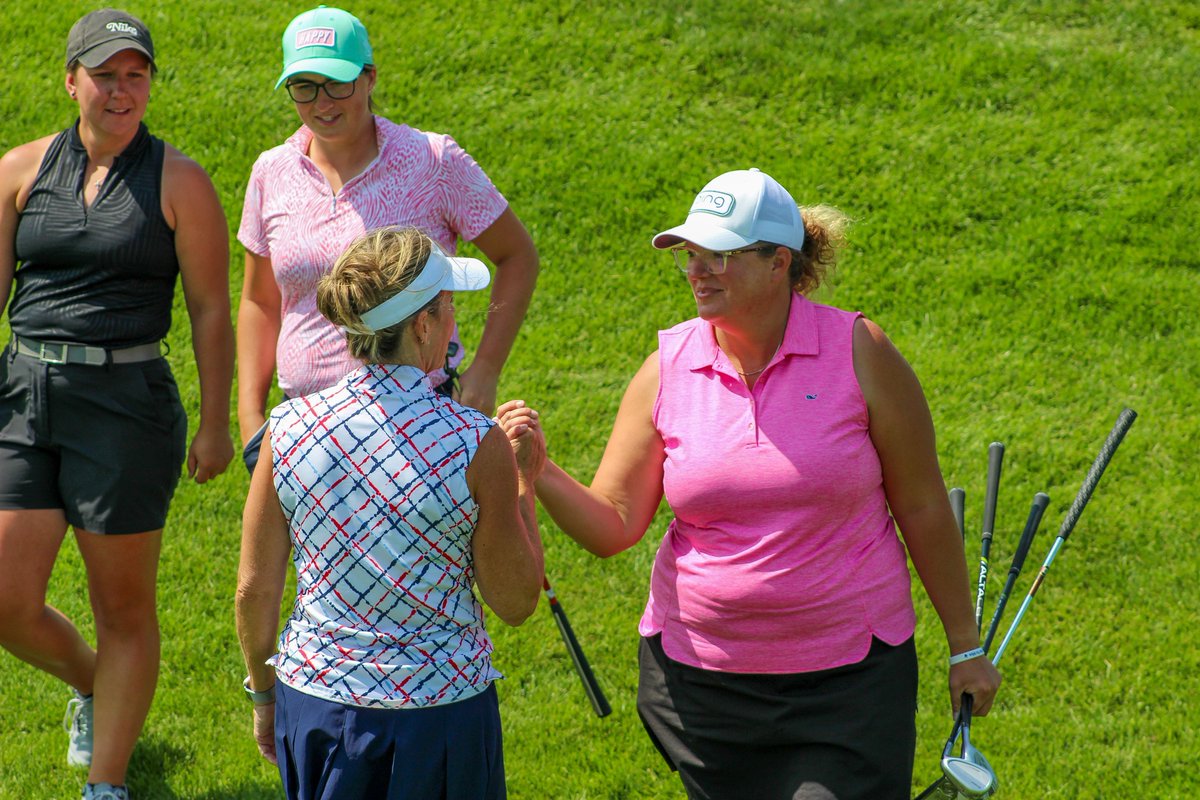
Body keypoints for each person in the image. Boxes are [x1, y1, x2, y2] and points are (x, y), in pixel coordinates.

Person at [503, 168, 1003, 800]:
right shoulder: (668, 367)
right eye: (690, 254)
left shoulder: (859, 351)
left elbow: (924, 504)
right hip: (700, 687)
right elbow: (614, 523)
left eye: (721, 254)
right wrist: (539, 468)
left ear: (778, 263)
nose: (698, 270)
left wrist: (964, 646)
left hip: (848, 684)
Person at [0, 9, 234, 800]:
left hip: (126, 405)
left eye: (136, 74)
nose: (122, 89)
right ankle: (97, 687)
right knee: (5, 598)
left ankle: (107, 786)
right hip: (24, 396)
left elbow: (210, 308)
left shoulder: (181, 182)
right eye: (106, 74)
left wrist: (214, 422)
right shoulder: (19, 171)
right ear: (72, 81)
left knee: (123, 604)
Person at [236, 226, 545, 800]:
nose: (454, 320)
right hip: (442, 717)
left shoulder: (286, 431)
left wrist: (262, 695)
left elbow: (255, 588)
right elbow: (516, 599)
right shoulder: (476, 443)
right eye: (448, 306)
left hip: (318, 707)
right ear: (422, 325)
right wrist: (524, 481)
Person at [236, 5, 538, 471]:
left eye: (337, 83)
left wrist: (484, 372)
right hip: (302, 428)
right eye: (304, 86)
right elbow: (259, 300)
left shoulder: (432, 160)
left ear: (370, 77)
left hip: (416, 426)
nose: (322, 103)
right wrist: (250, 415)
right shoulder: (270, 171)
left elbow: (517, 256)